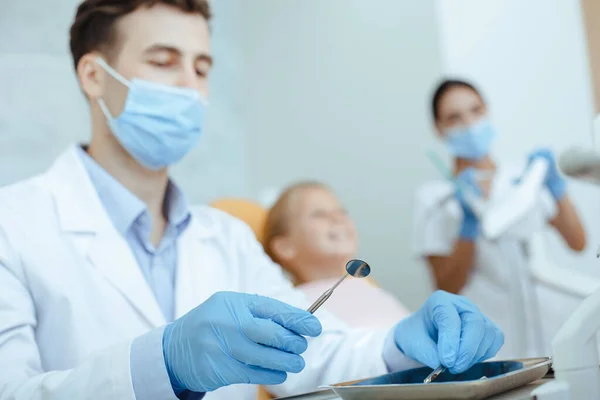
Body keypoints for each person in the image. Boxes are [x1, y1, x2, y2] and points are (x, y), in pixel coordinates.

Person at [0, 3, 504, 400]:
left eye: (201, 68)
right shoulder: (14, 225)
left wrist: (397, 345)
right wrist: (162, 365)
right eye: (163, 61)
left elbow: (314, 355)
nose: (191, 88)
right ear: (94, 76)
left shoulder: (226, 237)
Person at [414, 78, 586, 358]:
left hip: (555, 324)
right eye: (454, 118)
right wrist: (467, 228)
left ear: (487, 111)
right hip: (496, 339)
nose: (470, 124)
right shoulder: (435, 197)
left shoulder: (522, 177)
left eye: (475, 110)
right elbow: (446, 286)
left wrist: (557, 189)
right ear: (439, 128)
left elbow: (578, 242)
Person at [264, 181, 410, 329]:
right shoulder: (294, 308)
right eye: (319, 215)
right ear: (285, 247)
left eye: (342, 212)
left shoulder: (372, 291)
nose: (338, 219)